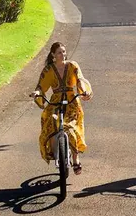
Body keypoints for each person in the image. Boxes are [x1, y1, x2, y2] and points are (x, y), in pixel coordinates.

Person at [30, 41, 92, 173]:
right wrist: (37, 93)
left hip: (71, 103)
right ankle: (54, 152)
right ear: (53, 55)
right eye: (59, 52)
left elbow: (80, 79)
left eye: (63, 51)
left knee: (71, 128)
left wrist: (83, 91)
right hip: (56, 102)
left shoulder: (72, 65)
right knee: (51, 120)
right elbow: (41, 86)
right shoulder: (48, 69)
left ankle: (76, 159)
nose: (62, 54)